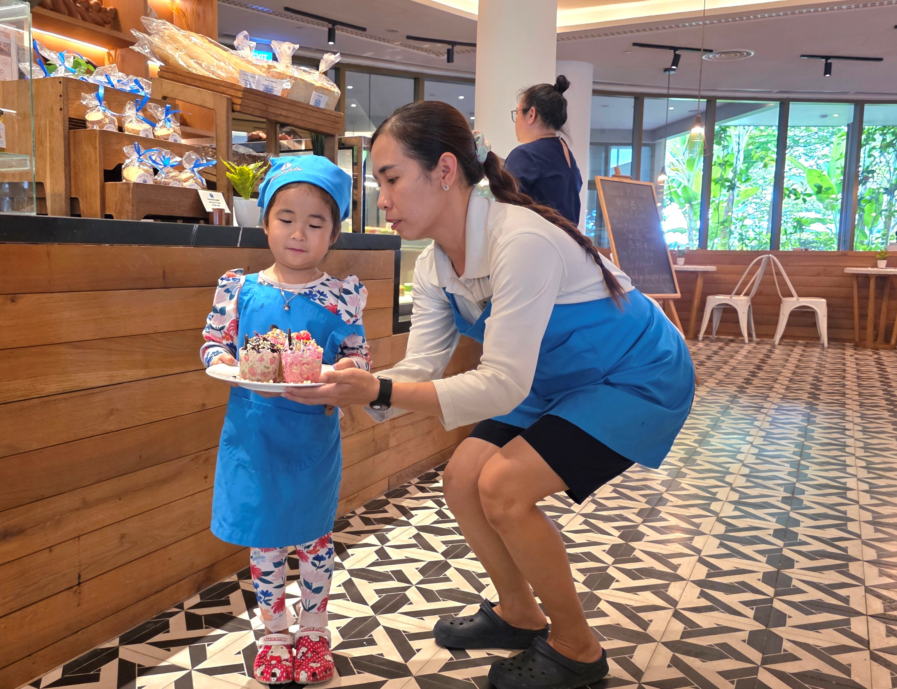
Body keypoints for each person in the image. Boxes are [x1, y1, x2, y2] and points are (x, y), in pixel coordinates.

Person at [284, 102, 695, 689]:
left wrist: (376, 388)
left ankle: (577, 647)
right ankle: (518, 612)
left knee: (503, 487)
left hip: (634, 374)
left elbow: (501, 384)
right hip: (549, 376)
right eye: (379, 184)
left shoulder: (519, 240)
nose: (383, 200)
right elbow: (423, 368)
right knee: (462, 478)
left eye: (391, 178)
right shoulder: (433, 266)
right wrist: (350, 391)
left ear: (445, 170)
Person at [200, 155, 372, 686]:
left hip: (311, 438)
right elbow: (212, 345)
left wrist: (344, 377)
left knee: (315, 539)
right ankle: (274, 633)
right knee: (266, 541)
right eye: (286, 218)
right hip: (252, 436)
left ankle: (315, 630)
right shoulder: (238, 289)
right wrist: (222, 361)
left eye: (315, 223)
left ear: (334, 235)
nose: (299, 233)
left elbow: (359, 362)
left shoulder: (340, 298)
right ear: (265, 222)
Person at [505, 75, 583, 224]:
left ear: (532, 114)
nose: (516, 121)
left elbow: (505, 210)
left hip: (536, 244)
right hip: (567, 244)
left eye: (518, 112)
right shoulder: (566, 153)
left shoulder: (525, 155)